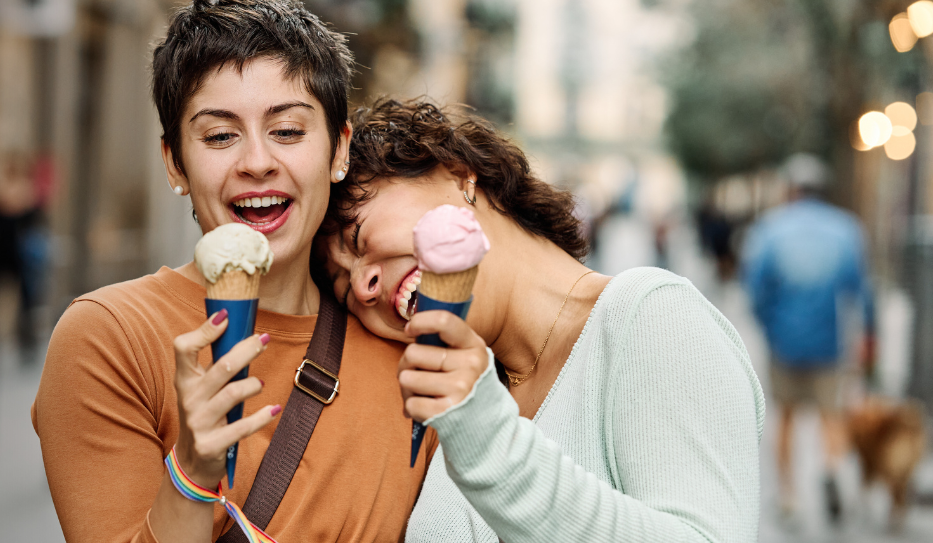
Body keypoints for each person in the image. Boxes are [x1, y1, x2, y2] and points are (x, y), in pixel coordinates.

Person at [31, 0, 436, 543]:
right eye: (220, 136)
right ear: (175, 162)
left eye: (288, 131)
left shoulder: (409, 349)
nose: (257, 162)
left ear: (339, 150)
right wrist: (194, 474)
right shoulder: (110, 338)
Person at [318, 98, 764, 542]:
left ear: (457, 175)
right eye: (342, 288)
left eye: (357, 235)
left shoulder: (651, 317)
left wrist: (488, 441)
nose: (362, 287)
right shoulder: (460, 398)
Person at [742, 152, 874, 525]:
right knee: (830, 416)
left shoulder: (770, 229)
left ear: (791, 189)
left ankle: (788, 497)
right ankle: (830, 470)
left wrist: (769, 326)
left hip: (784, 341)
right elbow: (862, 291)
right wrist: (869, 336)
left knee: (784, 416)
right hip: (828, 342)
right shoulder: (846, 229)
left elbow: (754, 289)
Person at [0, 152, 46, 364]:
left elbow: (34, 222)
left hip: (19, 256)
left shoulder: (27, 198)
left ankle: (25, 345)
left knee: (25, 301)